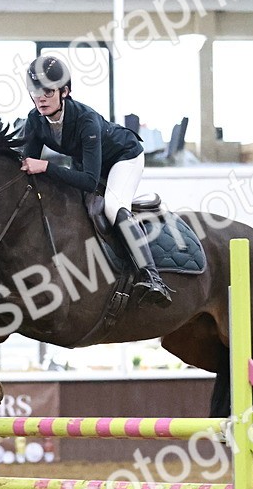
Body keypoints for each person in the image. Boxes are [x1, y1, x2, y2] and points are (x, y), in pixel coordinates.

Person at [19, 55, 172, 308]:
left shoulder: (85, 119)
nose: (40, 97)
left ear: (64, 91)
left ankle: (153, 278)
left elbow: (89, 181)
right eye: (35, 91)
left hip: (124, 157)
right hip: (87, 161)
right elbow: (27, 165)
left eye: (47, 91)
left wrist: (46, 166)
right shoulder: (35, 119)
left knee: (112, 206)